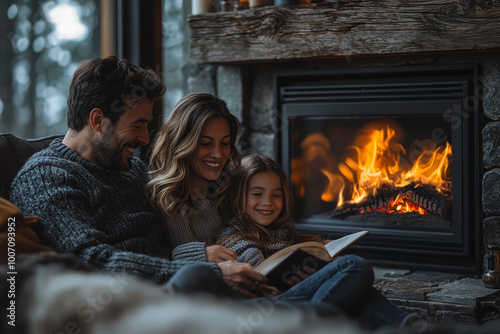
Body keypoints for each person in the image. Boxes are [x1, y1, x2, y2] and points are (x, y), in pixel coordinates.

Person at [9, 57, 244, 288]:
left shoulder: (132, 169)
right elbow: (92, 261)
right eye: (137, 125)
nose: (144, 138)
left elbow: (170, 240)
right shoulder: (45, 177)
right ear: (98, 119)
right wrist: (208, 272)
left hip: (179, 288)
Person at [217, 154, 412, 327]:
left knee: (357, 289)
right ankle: (311, 325)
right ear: (238, 196)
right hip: (268, 308)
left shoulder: (281, 233)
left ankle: (410, 326)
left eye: (276, 195)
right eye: (257, 194)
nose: (268, 202)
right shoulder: (234, 235)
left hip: (291, 299)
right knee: (355, 265)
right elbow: (262, 282)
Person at [148, 92, 267, 297]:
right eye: (205, 143)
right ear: (181, 143)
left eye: (225, 142)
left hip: (261, 278)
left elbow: (261, 229)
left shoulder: (232, 182)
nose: (219, 154)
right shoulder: (162, 195)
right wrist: (198, 254)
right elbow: (155, 262)